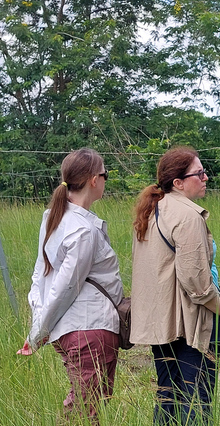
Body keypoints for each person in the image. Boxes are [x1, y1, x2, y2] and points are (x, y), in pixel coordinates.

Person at [17, 148, 123, 425]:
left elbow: (39, 278)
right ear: (92, 180)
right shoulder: (81, 230)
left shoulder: (55, 218)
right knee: (83, 412)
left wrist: (39, 325)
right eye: (105, 174)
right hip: (88, 329)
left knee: (91, 407)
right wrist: (38, 332)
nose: (105, 180)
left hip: (76, 330)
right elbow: (64, 287)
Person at [131, 146, 220, 425]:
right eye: (199, 173)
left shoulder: (152, 211)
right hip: (188, 323)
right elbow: (196, 281)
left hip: (160, 323)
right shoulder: (188, 216)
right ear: (178, 182)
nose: (206, 177)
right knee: (196, 398)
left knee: (167, 395)